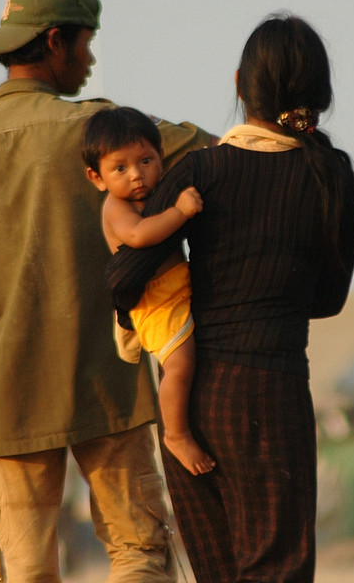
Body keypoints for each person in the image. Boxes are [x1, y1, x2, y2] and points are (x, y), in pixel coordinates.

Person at [0, 0, 215, 583]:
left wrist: (2, 271)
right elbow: (221, 154)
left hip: (11, 392)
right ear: (53, 42)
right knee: (138, 551)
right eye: (86, 42)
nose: (90, 59)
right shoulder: (110, 137)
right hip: (109, 383)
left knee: (27, 568)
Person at [107, 14, 354, 583]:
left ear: (241, 84)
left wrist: (158, 318)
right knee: (278, 572)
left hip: (194, 397)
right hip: (276, 393)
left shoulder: (204, 170)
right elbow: (330, 298)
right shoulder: (332, 176)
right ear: (320, 92)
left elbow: (123, 276)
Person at [82, 107, 217, 476]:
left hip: (177, 286)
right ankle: (176, 434)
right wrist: (182, 211)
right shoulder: (116, 206)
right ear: (97, 177)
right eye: (120, 168)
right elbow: (140, 236)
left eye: (146, 160)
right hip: (154, 299)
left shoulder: (157, 192)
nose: (137, 175)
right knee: (180, 363)